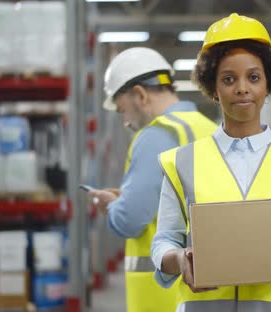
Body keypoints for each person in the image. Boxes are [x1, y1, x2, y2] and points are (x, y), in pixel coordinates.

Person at [151, 13, 271, 311]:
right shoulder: (182, 163)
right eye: (228, 79)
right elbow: (163, 241)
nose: (242, 88)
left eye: (253, 77)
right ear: (213, 88)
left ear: (268, 84)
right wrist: (179, 260)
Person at [89, 47, 217, 312]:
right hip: (212, 293)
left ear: (140, 95)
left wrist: (111, 205)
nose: (125, 122)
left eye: (122, 109)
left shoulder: (156, 135)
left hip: (163, 296)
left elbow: (130, 220)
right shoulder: (211, 129)